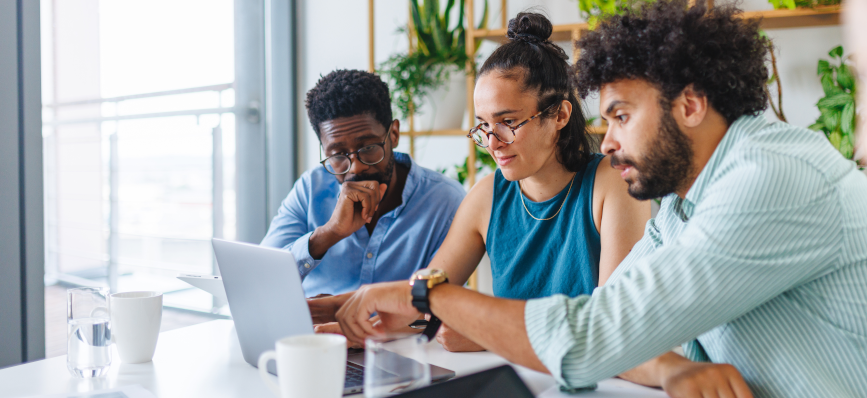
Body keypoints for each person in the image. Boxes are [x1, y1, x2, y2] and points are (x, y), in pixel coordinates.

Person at [332, 2, 867, 398]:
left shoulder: (768, 179)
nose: (608, 141)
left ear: (692, 105)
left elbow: (597, 335)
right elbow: (611, 319)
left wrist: (431, 296)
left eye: (621, 116)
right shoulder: (681, 206)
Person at [311, 13, 649, 353]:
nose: (493, 142)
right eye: (483, 126)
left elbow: (610, 327)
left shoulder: (612, 183)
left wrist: (490, 333)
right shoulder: (487, 196)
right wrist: (346, 312)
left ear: (559, 115)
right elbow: (424, 297)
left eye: (508, 122)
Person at [261, 69, 465, 298]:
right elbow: (261, 278)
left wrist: (346, 315)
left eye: (368, 148)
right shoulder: (310, 189)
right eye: (338, 155)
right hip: (313, 334)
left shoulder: (445, 201)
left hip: (401, 335)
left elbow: (442, 305)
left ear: (394, 134)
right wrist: (329, 233)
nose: (356, 167)